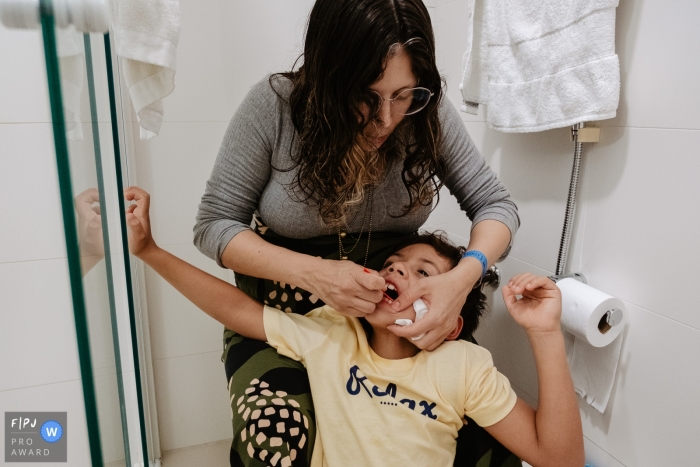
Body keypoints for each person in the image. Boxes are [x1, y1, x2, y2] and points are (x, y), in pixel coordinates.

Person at [193, 0, 520, 465]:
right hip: (282, 313)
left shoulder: (424, 113)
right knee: (271, 443)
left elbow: (495, 205)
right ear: (329, 79)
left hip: (392, 313)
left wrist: (462, 278)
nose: (387, 119)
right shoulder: (274, 107)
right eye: (367, 96)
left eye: (404, 94)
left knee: (490, 448)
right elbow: (214, 224)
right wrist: (315, 274)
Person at [126, 186, 583, 467]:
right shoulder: (332, 333)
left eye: (423, 273)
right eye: (393, 264)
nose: (397, 272)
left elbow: (560, 459)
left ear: (450, 323)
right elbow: (239, 312)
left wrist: (544, 333)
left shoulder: (464, 366)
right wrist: (150, 251)